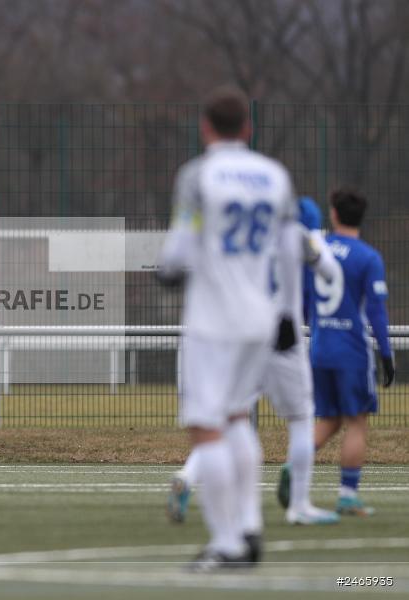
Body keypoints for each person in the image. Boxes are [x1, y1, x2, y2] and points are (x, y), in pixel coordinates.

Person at [157, 86, 299, 571]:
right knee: (239, 417)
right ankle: (250, 527)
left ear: (205, 127)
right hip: (261, 316)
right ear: (249, 128)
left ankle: (227, 542)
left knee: (206, 426)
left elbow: (179, 247)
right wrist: (288, 313)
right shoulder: (274, 175)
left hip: (213, 320)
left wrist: (168, 268)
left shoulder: (198, 174)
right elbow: (288, 247)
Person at [168, 197, 341, 526]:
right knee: (302, 418)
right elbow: (329, 272)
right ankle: (299, 505)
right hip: (282, 335)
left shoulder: (249, 237)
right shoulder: (298, 236)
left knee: (228, 418)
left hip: (244, 333)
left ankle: (188, 477)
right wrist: (315, 241)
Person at [308, 187, 395, 516]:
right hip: (352, 352)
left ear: (333, 213)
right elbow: (376, 312)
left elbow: (305, 295)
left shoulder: (317, 250)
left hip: (319, 347)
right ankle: (347, 495)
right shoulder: (367, 257)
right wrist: (386, 354)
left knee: (328, 418)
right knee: (357, 422)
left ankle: (293, 465)